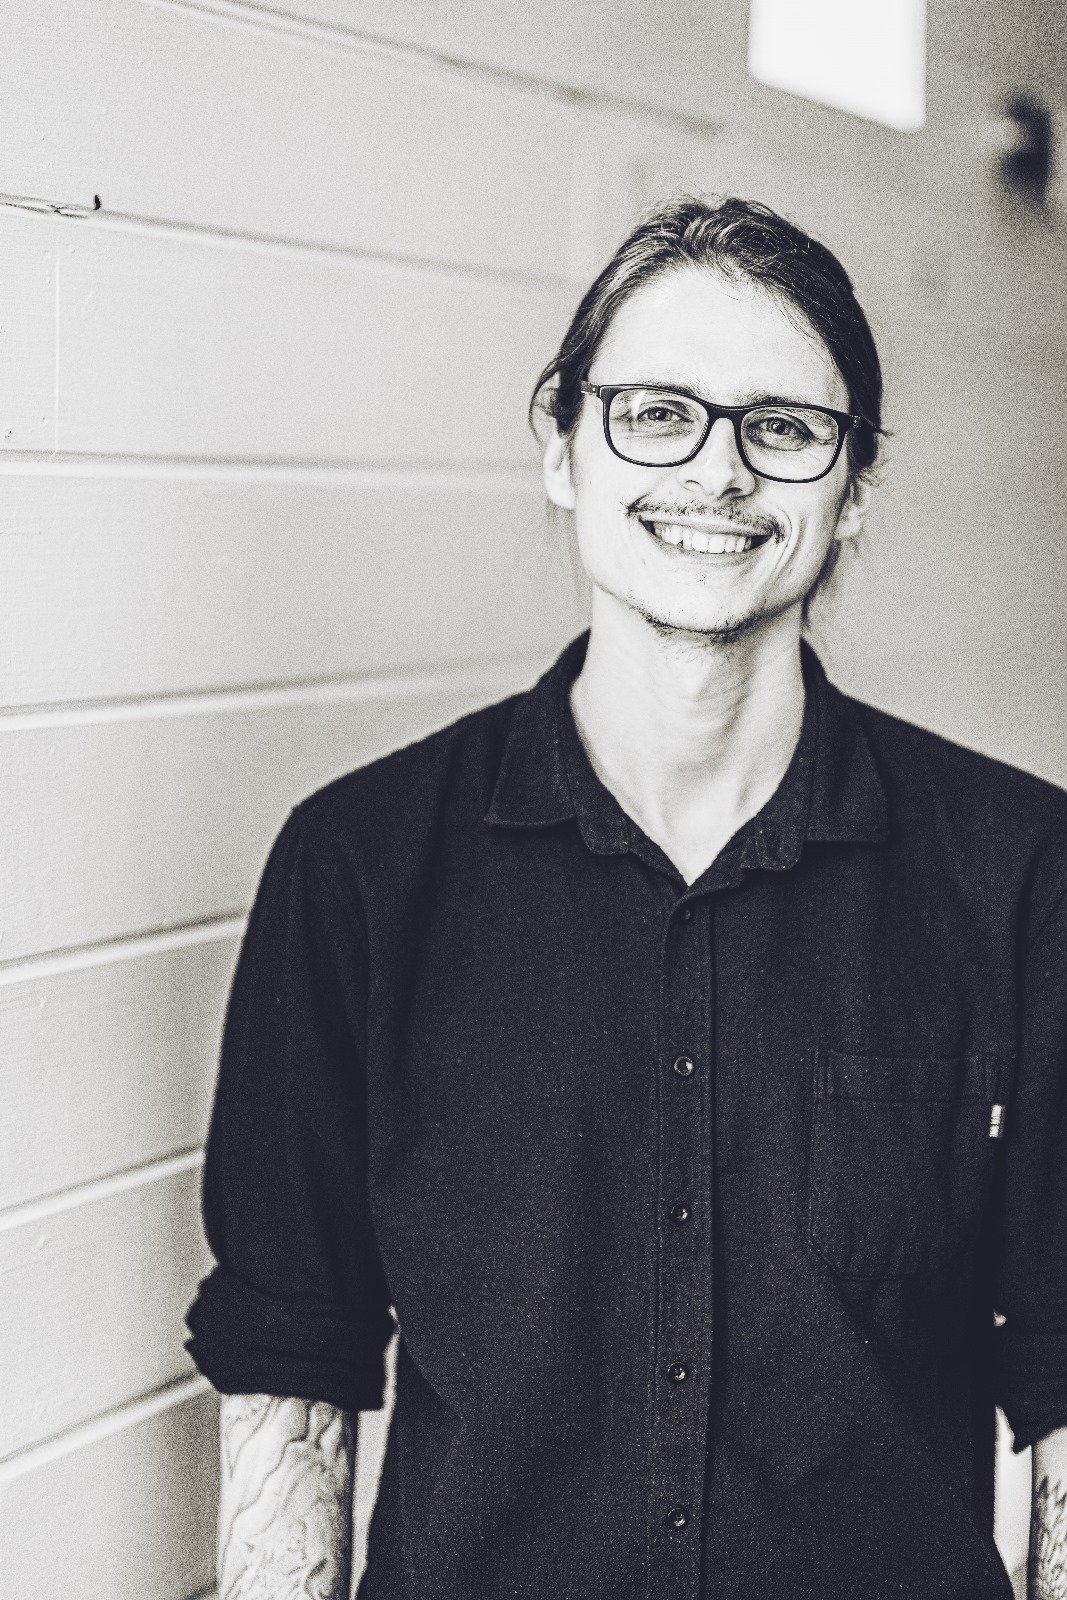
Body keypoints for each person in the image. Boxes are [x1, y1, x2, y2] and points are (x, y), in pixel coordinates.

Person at [185, 195, 1067, 1600]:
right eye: (657, 412)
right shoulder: (359, 868)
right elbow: (294, 1363)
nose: (717, 472)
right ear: (560, 442)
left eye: (782, 427)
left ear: (855, 489)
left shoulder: (1021, 875)